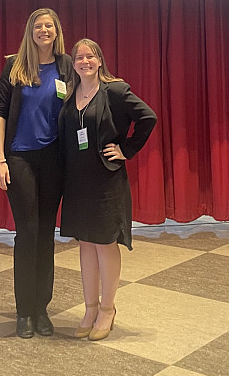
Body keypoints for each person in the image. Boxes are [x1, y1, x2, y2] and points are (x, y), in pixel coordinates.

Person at [59, 38, 157, 341]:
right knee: (85, 243)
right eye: (79, 58)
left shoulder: (114, 90)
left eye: (90, 57)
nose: (84, 62)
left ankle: (107, 309)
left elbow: (147, 117)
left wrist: (126, 149)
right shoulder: (70, 92)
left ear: (100, 60)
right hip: (76, 180)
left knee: (104, 243)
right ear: (73, 64)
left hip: (105, 180)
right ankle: (89, 308)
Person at [0, 9, 73, 338]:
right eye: (38, 26)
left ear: (56, 31)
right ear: (31, 31)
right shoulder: (14, 66)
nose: (44, 30)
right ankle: (23, 311)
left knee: (45, 234)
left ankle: (42, 310)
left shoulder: (67, 65)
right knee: (27, 232)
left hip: (54, 159)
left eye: (49, 25)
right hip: (19, 157)